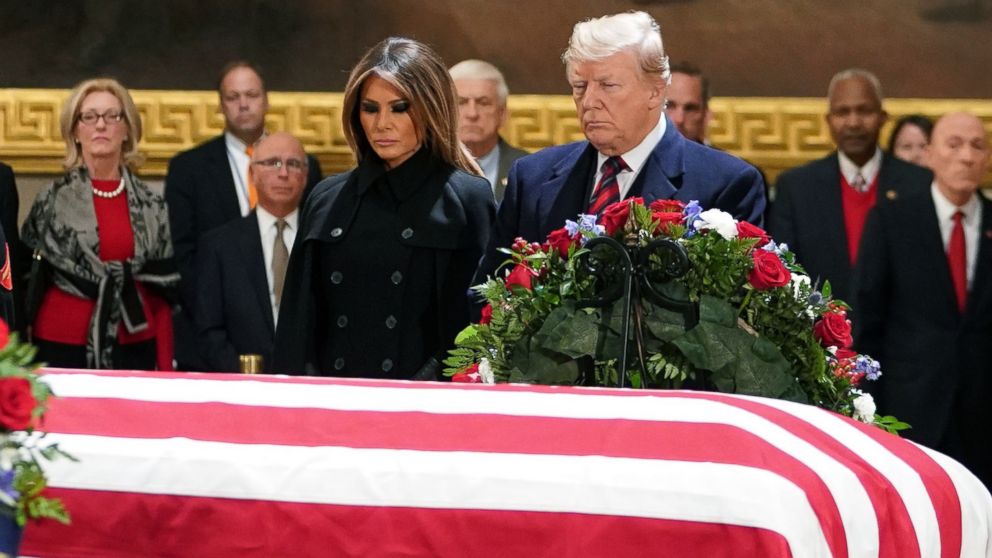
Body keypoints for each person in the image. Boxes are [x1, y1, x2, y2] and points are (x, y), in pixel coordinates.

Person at [475, 11, 765, 281]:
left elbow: (731, 319)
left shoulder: (727, 183)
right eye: (579, 86)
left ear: (655, 91)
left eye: (607, 85)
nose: (589, 102)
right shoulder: (532, 177)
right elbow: (487, 295)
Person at [272, 37, 495, 379]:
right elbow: (296, 332)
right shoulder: (327, 199)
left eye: (399, 107)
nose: (382, 123)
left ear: (430, 107)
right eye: (370, 108)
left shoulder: (466, 199)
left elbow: (476, 330)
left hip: (427, 408)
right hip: (333, 404)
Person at [854, 112, 992, 488]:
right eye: (954, 145)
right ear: (929, 154)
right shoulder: (892, 222)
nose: (966, 156)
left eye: (977, 146)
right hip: (911, 414)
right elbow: (868, 325)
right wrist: (871, 413)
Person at [165, 61, 323, 369]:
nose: (243, 104)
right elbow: (184, 255)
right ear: (220, 104)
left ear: (266, 99)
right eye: (233, 96)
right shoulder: (190, 168)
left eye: (251, 94)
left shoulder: (303, 162)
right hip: (226, 334)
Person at [20, 78, 179, 369]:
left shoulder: (152, 205)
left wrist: (166, 366)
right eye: (89, 117)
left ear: (128, 129)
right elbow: (27, 279)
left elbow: (163, 289)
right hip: (59, 345)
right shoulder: (52, 200)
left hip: (134, 344)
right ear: (75, 131)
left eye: (112, 116)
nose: (101, 125)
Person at [768, 69, 931, 304]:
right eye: (842, 112)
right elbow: (784, 271)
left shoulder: (920, 184)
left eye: (864, 111)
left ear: (883, 117)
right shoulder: (796, 188)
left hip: (899, 333)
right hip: (818, 333)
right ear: (828, 120)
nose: (853, 122)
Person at [194, 132, 307, 372]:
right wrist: (244, 378)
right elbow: (208, 331)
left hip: (313, 389)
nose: (283, 173)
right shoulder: (219, 246)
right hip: (240, 389)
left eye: (293, 164)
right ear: (252, 174)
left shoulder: (321, 242)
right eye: (272, 163)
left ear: (305, 176)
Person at [449, 59, 529, 202]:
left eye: (483, 103)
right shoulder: (425, 168)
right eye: (461, 102)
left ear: (502, 114)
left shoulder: (529, 170)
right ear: (445, 112)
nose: (472, 114)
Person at [665, 61, 711, 144]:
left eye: (690, 109)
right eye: (669, 106)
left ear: (705, 115)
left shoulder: (721, 157)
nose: (679, 119)